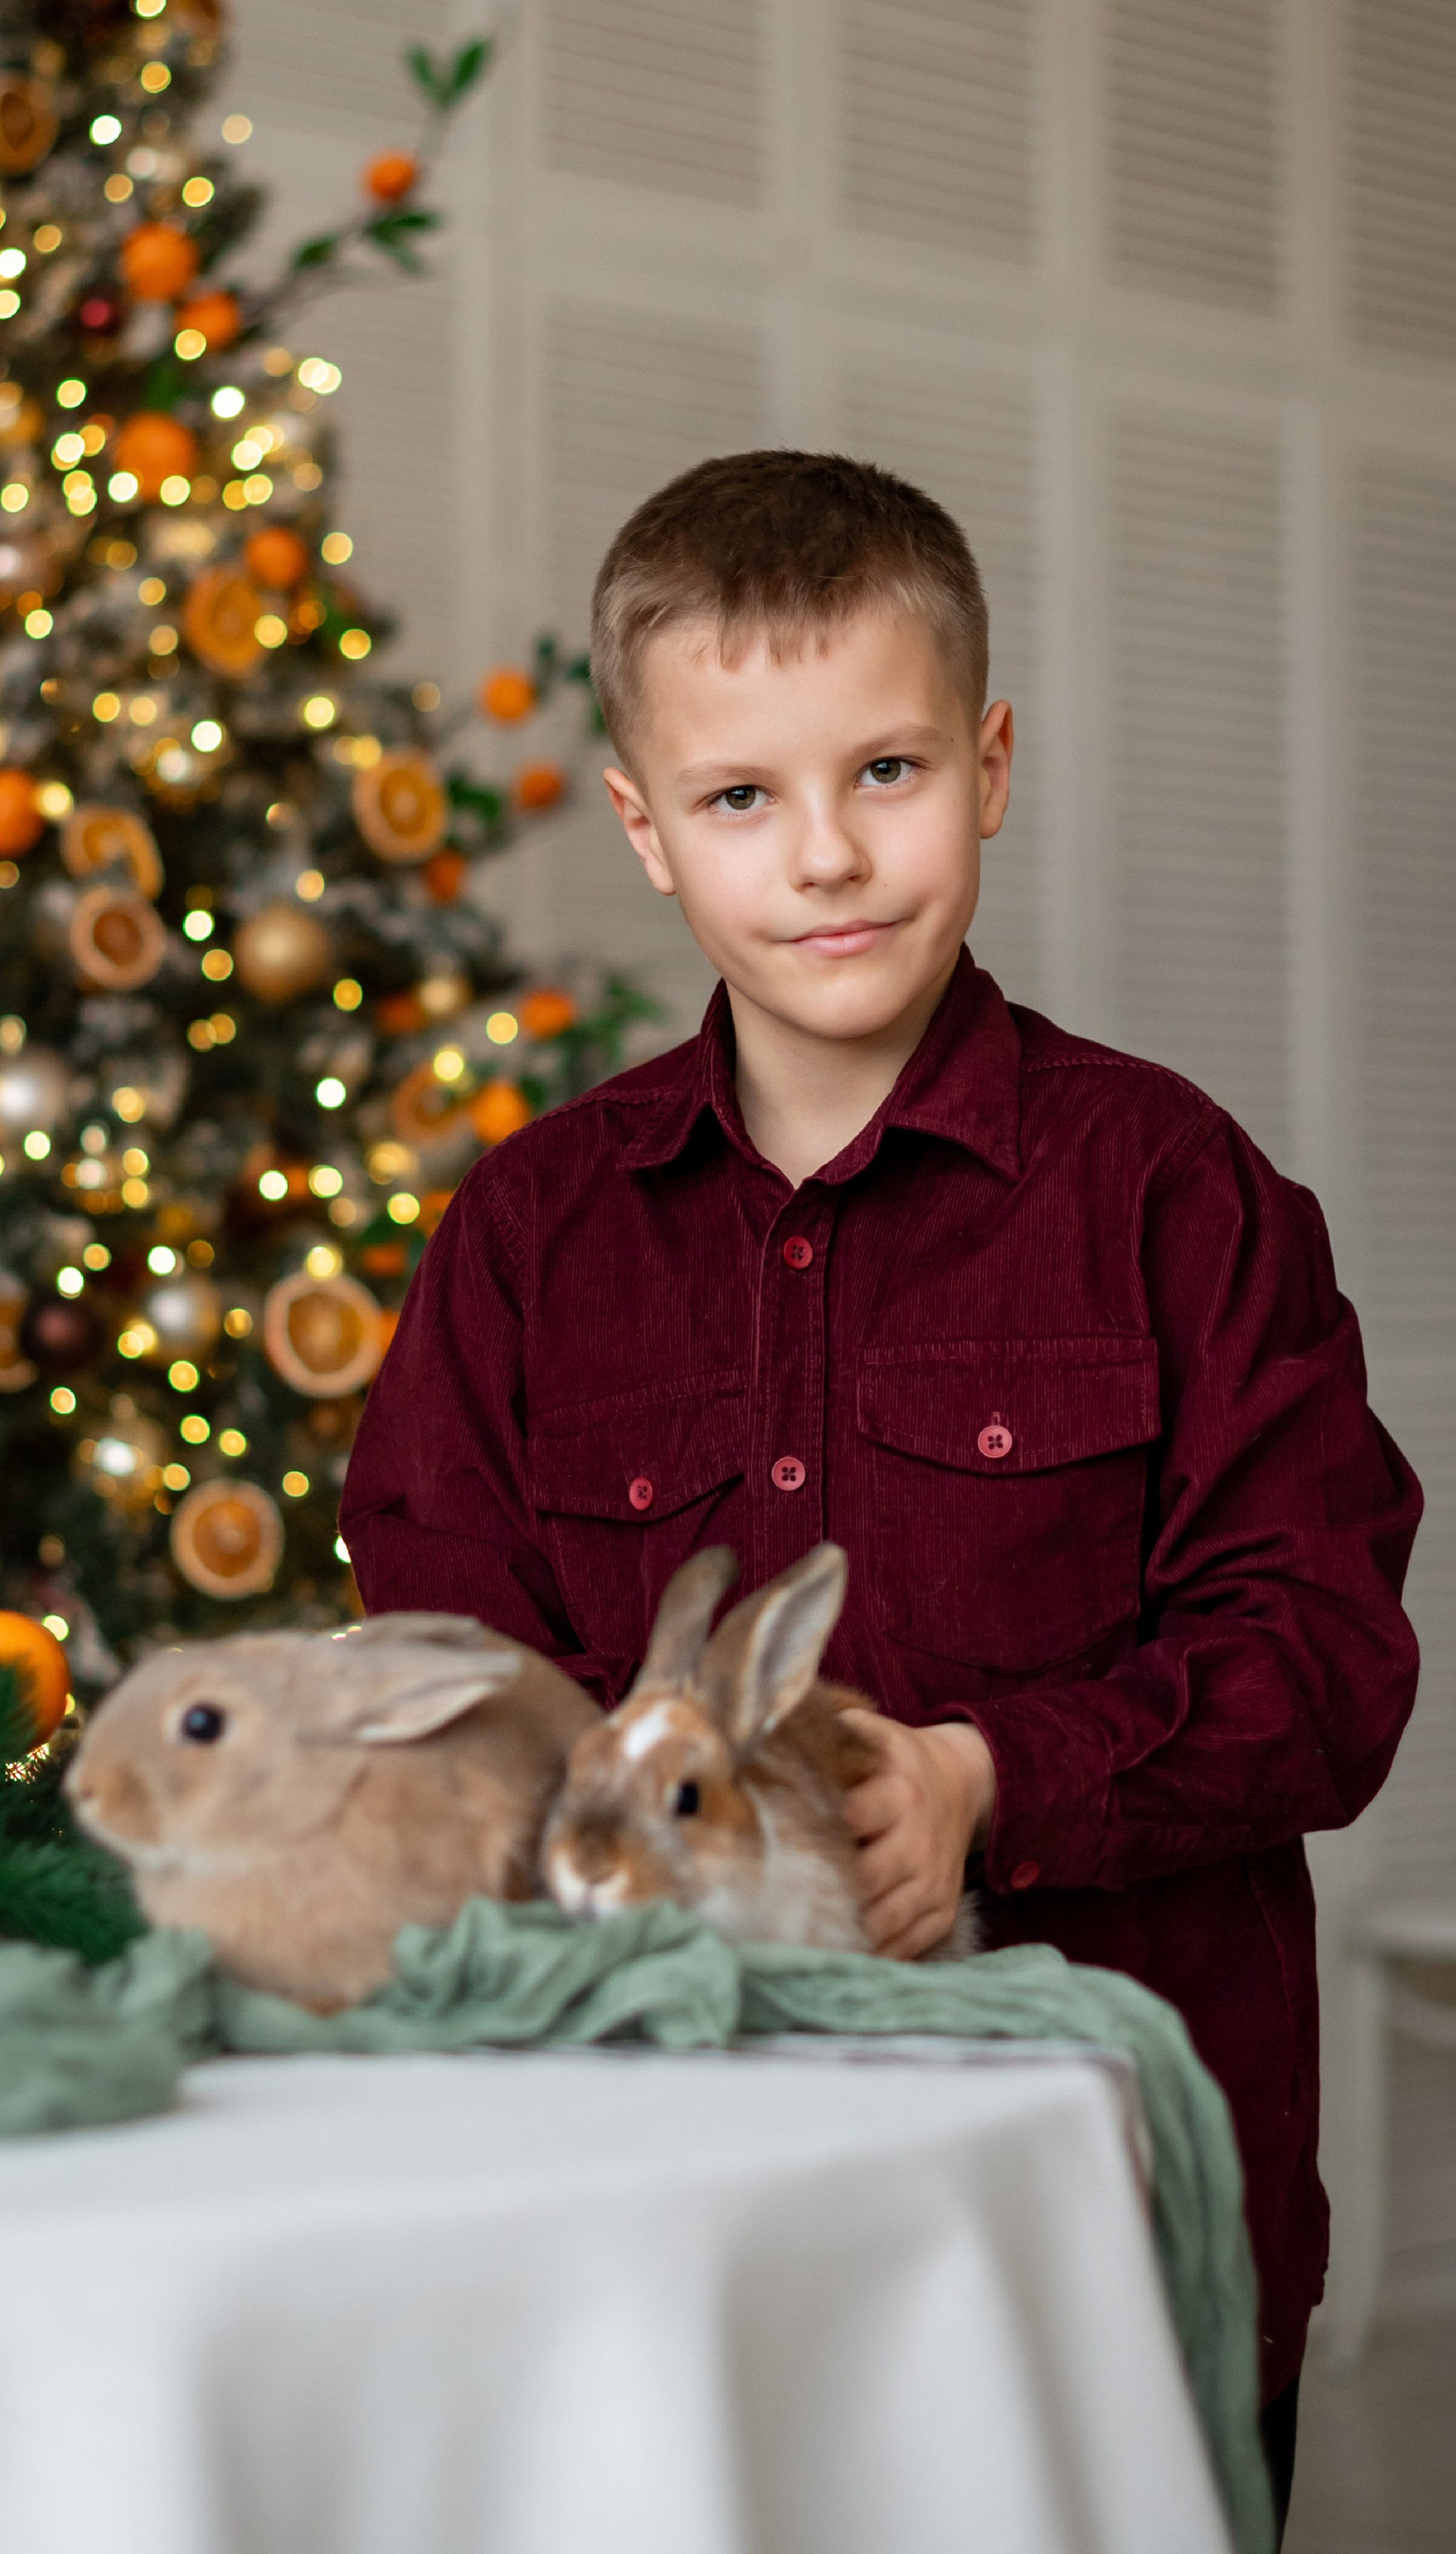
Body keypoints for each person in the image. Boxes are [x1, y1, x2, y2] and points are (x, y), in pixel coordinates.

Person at [340, 449, 1420, 2535]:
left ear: (991, 764)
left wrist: (985, 1779)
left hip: (1102, 2226)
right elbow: (442, 1679)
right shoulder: (528, 1239)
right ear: (647, 830)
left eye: (891, 769)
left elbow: (1323, 1661)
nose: (828, 855)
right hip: (647, 2228)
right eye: (743, 798)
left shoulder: (1175, 1196)